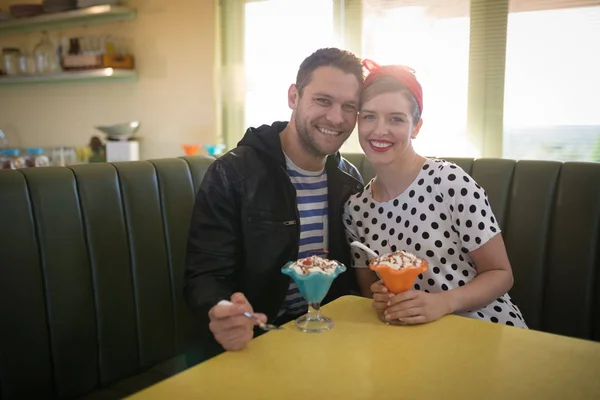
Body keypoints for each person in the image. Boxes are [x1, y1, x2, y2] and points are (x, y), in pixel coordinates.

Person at [184, 48, 365, 362]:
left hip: (334, 339)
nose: (336, 118)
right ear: (294, 96)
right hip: (261, 339)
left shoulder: (349, 180)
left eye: (349, 106)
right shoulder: (234, 173)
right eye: (323, 100)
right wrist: (224, 310)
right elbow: (205, 275)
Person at [343, 60, 527, 328]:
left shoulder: (449, 181)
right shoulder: (355, 209)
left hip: (485, 327)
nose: (379, 130)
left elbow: (501, 274)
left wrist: (444, 302)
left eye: (396, 119)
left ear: (416, 127)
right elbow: (369, 291)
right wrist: (381, 300)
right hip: (410, 337)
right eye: (369, 116)